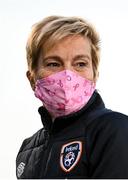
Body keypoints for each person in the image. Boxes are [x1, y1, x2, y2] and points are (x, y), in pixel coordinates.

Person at [16, 15, 128, 179]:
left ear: (95, 75)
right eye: (53, 64)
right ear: (32, 78)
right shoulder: (27, 149)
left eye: (80, 64)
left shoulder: (114, 129)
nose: (68, 75)